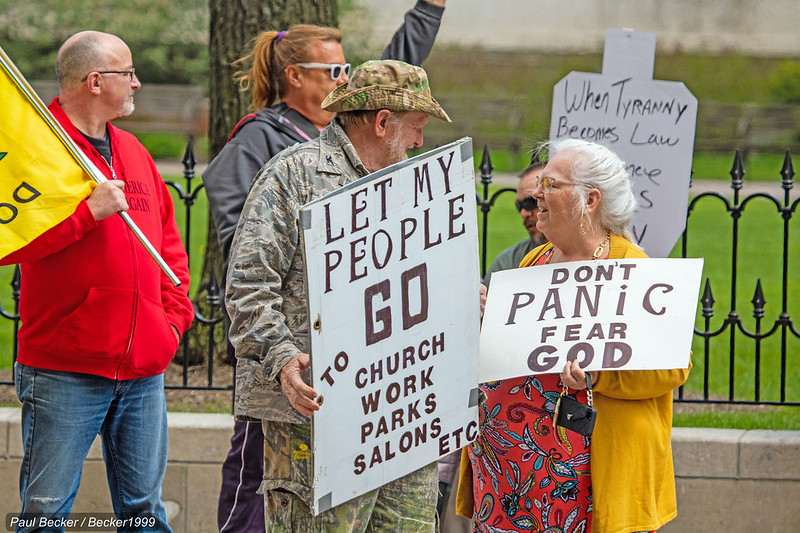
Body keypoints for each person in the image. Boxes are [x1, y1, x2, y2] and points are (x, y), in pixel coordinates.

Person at [201, 2, 448, 531]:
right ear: (383, 122)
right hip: (317, 413)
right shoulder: (292, 175)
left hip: (402, 408)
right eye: (416, 126)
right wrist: (283, 358)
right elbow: (247, 286)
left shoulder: (412, 183)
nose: (421, 141)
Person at [1, 31, 194, 531]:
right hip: (65, 371)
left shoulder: (133, 151)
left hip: (142, 372)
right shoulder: (40, 154)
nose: (136, 82)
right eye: (127, 73)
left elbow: (170, 246)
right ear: (94, 81)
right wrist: (87, 214)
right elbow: (11, 243)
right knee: (45, 514)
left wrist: (171, 321)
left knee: (144, 513)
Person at [457, 139, 690, 533]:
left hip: (582, 480)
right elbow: (518, 347)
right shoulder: (537, 258)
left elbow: (671, 368)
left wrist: (599, 377)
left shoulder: (631, 267)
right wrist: (487, 317)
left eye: (551, 185)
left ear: (591, 199)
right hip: (509, 477)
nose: (535, 194)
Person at [482, 159, 547, 286]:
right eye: (519, 205)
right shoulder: (507, 263)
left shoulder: (594, 255)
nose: (524, 213)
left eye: (531, 202)